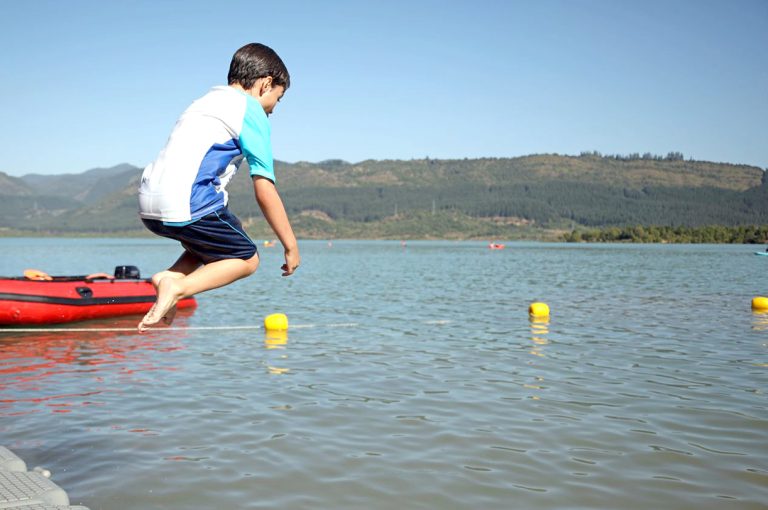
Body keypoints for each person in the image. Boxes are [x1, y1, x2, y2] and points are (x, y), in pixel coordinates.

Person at [137, 43, 299, 332]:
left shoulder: (203, 101)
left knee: (211, 246)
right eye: (278, 98)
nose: (274, 109)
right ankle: (177, 288)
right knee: (246, 258)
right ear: (265, 84)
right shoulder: (251, 112)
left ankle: (171, 276)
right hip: (187, 202)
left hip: (149, 203)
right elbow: (264, 188)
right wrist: (290, 244)